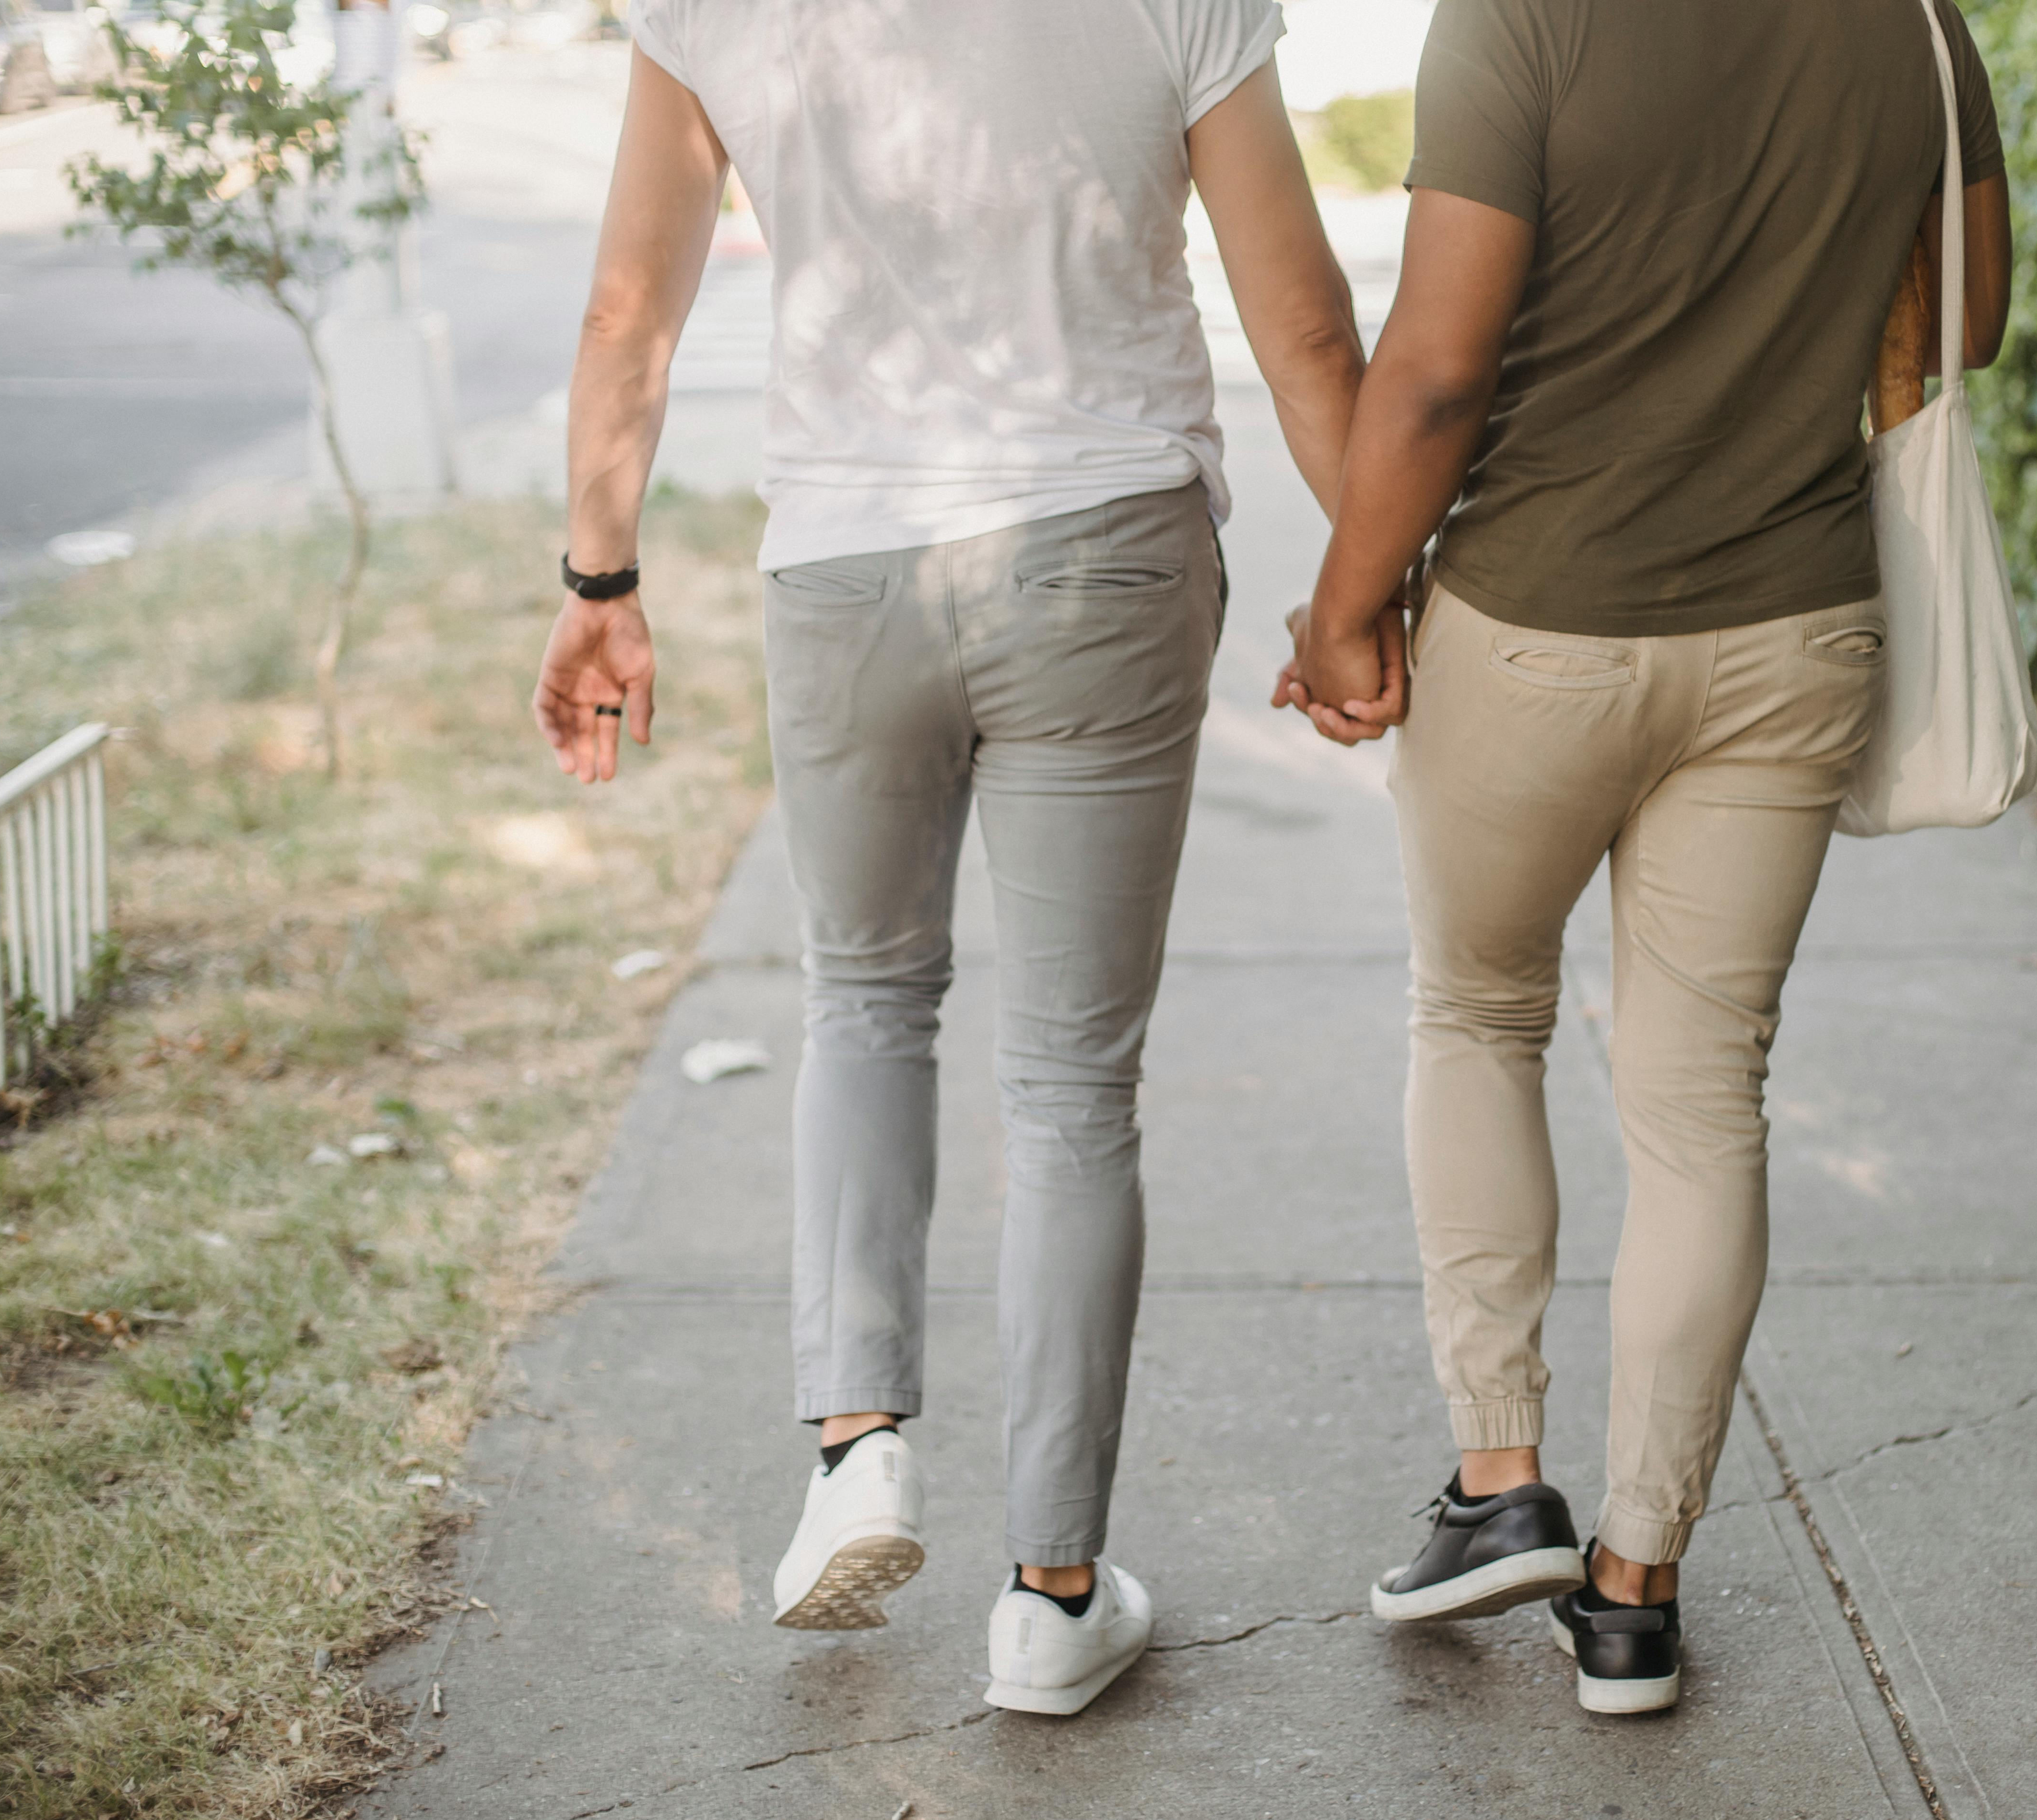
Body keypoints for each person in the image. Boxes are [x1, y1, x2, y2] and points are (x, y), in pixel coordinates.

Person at [532, 0, 1366, 1717]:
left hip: (846, 567)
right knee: (1070, 1086)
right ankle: (1053, 1601)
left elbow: (633, 308)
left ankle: (857, 1446)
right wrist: (1365, 589)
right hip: (1106, 545)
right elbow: (1300, 316)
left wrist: (598, 585)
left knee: (862, 1001)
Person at [1279, 0, 2014, 1715]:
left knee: (1477, 1011)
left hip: (1533, 627)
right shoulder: (1916, 24)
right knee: (1704, 1103)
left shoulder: (1520, 19)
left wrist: (1341, 608)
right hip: (1799, 630)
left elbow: (1442, 368)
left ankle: (1497, 1480)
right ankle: (1632, 1585)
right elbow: (1969, 307)